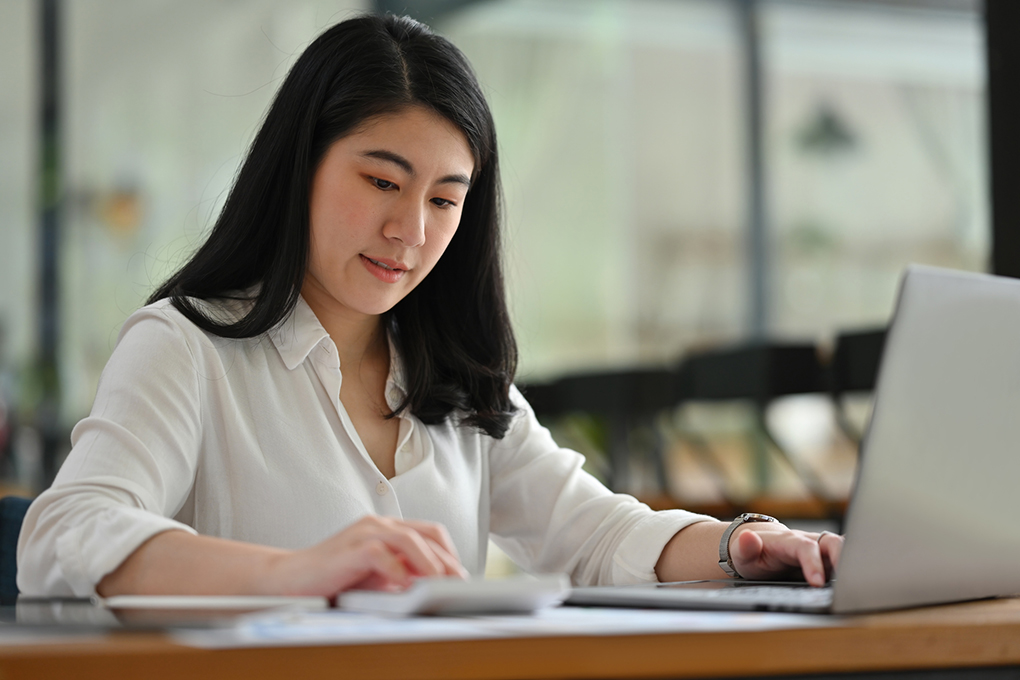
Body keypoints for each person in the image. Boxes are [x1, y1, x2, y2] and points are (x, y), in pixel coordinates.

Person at [17, 14, 842, 598]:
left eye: (445, 200)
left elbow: (592, 534)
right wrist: (291, 572)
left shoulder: (454, 381)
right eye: (381, 181)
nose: (408, 230)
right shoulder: (186, 349)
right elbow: (64, 534)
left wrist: (745, 546)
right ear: (300, 167)